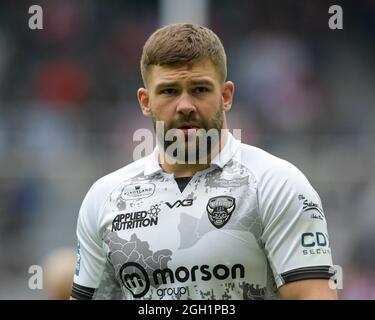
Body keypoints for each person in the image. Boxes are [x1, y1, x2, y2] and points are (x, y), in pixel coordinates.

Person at [70, 23, 337, 300]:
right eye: (169, 91)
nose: (185, 105)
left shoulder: (276, 183)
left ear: (225, 96)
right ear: (145, 101)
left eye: (199, 89)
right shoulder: (105, 198)